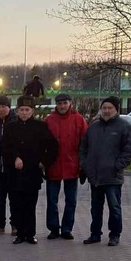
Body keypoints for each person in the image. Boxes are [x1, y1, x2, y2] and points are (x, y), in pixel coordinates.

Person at [79, 96, 131, 246]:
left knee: (114, 208)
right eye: (104, 108)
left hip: (112, 177)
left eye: (109, 108)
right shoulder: (93, 127)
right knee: (95, 208)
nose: (106, 110)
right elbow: (83, 148)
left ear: (116, 109)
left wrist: (117, 166)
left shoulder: (124, 127)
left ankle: (115, 234)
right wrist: (85, 165)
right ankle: (95, 234)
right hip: (95, 177)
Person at [0, 96, 57, 245]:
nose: (24, 113)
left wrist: (43, 162)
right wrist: (14, 158)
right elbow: (4, 147)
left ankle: (30, 234)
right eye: (21, 110)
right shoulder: (10, 127)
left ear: (32, 111)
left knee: (30, 205)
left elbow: (51, 146)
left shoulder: (40, 127)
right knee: (16, 204)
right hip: (14, 173)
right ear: (17, 111)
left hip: (32, 173)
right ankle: (20, 233)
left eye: (27, 110)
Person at [44, 92, 88, 240]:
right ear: (56, 105)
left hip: (72, 166)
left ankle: (67, 229)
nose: (62, 106)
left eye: (65, 103)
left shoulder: (79, 120)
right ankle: (54, 228)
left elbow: (85, 143)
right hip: (53, 167)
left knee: (71, 201)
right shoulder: (49, 120)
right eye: (59, 103)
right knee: (52, 201)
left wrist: (82, 165)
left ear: (70, 103)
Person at [0, 95, 16, 235]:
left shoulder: (15, 121)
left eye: (3, 106)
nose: (1, 109)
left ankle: (15, 225)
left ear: (9, 107)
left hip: (12, 167)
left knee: (14, 198)